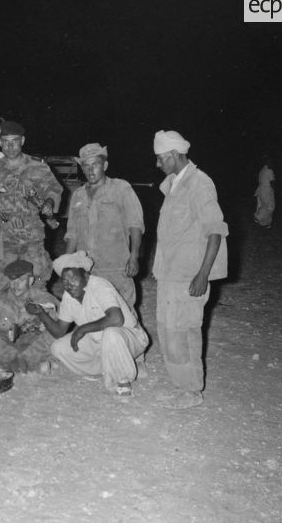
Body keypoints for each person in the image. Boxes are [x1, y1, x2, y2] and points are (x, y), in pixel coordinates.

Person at [152, 130, 228, 409]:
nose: (158, 164)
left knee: (184, 332)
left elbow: (215, 231)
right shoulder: (172, 184)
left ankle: (192, 391)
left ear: (173, 155)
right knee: (167, 332)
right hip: (169, 274)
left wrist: (203, 274)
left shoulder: (199, 183)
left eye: (161, 159)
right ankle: (179, 386)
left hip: (188, 276)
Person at [26, 251, 149, 397]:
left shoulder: (100, 286)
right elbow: (59, 331)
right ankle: (105, 368)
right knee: (58, 348)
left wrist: (82, 329)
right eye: (64, 280)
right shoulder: (69, 296)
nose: (69, 284)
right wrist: (41, 313)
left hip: (129, 338)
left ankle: (122, 380)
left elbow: (116, 319)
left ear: (86, 276)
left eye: (73, 278)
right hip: (99, 343)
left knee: (111, 333)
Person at [0, 120, 63, 292]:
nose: (10, 146)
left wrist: (49, 203)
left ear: (22, 140)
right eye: (5, 142)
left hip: (31, 235)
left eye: (14, 141)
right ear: (0, 143)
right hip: (4, 236)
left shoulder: (39, 167)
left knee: (37, 281)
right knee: (2, 282)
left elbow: (54, 189)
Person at [64, 143, 144, 306]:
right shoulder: (78, 195)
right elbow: (72, 233)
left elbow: (135, 224)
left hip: (115, 268)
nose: (90, 170)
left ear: (105, 165)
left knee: (123, 314)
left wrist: (134, 256)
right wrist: (66, 264)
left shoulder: (121, 188)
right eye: (86, 166)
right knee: (91, 313)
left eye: (95, 164)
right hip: (86, 269)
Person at [0, 259, 59, 372]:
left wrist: (45, 321)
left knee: (55, 336)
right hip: (9, 347)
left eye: (21, 280)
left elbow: (60, 324)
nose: (16, 284)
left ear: (30, 280)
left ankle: (20, 364)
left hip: (34, 346)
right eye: (13, 280)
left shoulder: (43, 298)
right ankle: (28, 364)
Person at [254, 155, 275, 228]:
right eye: (271, 162)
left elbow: (258, 180)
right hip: (266, 189)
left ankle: (266, 223)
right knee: (270, 207)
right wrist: (273, 190)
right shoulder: (270, 170)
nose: (272, 163)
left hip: (259, 189)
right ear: (268, 162)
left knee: (262, 206)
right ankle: (258, 217)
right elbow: (272, 182)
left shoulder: (261, 171)